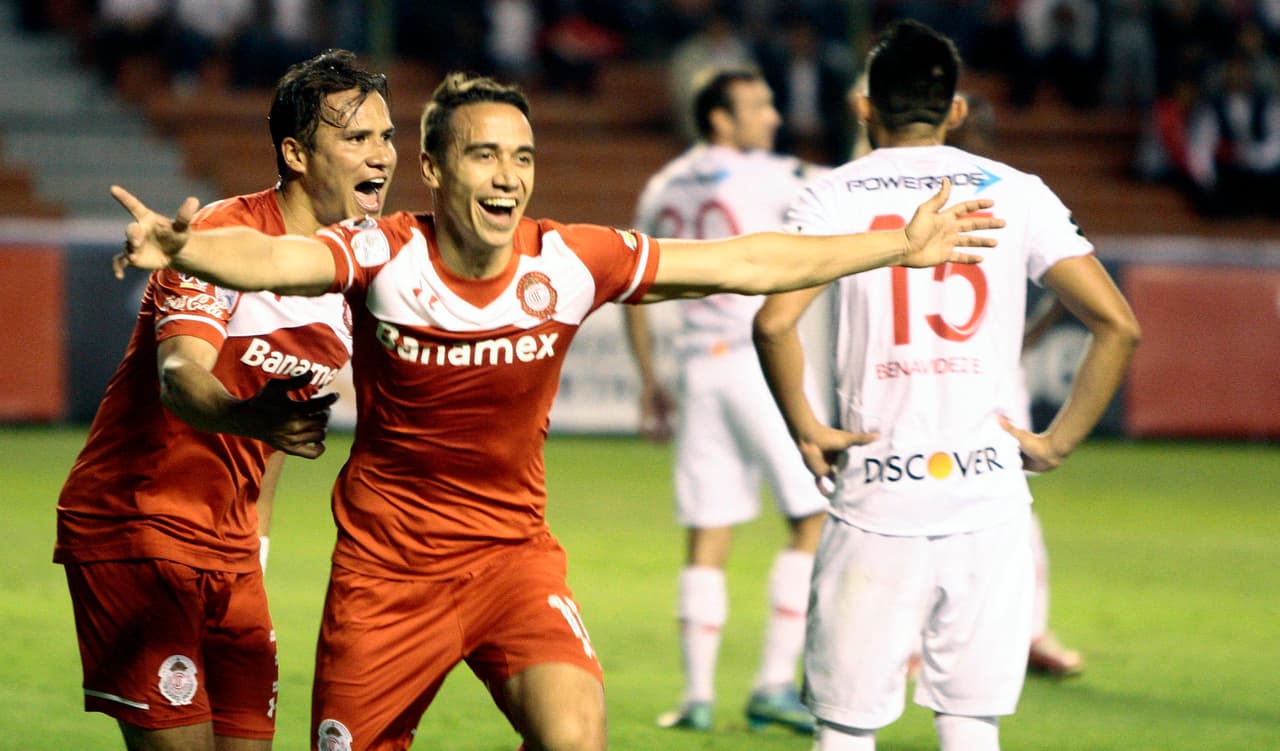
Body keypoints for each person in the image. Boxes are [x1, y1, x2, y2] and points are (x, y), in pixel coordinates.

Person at [108, 70, 1002, 751]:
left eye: (523, 156)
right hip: (386, 578)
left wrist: (896, 245)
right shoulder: (384, 252)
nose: (508, 176)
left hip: (512, 562)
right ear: (435, 168)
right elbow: (278, 261)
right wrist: (188, 249)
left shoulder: (570, 261)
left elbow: (742, 262)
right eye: (484, 154)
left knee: (576, 734)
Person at [752, 20, 1139, 751]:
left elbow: (774, 324)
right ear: (956, 110)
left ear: (863, 107)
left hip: (875, 489)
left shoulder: (830, 195)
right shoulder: (1019, 192)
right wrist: (1056, 443)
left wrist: (806, 425)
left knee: (846, 726)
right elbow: (1117, 325)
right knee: (970, 723)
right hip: (987, 496)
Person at [54, 49, 396, 751]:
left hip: (230, 548)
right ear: (296, 154)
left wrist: (253, 558)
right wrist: (246, 415)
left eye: (387, 137)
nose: (381, 155)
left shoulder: (357, 269)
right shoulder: (219, 239)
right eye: (357, 137)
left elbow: (272, 445)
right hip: (137, 525)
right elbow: (180, 374)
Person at [624, 66, 826, 735]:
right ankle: (773, 684)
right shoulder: (770, 175)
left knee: (708, 531)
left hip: (694, 369)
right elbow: (846, 192)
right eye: (758, 105)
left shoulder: (664, 184)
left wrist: (650, 379)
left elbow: (634, 288)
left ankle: (697, 696)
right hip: (754, 362)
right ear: (720, 118)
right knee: (812, 517)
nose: (773, 116)